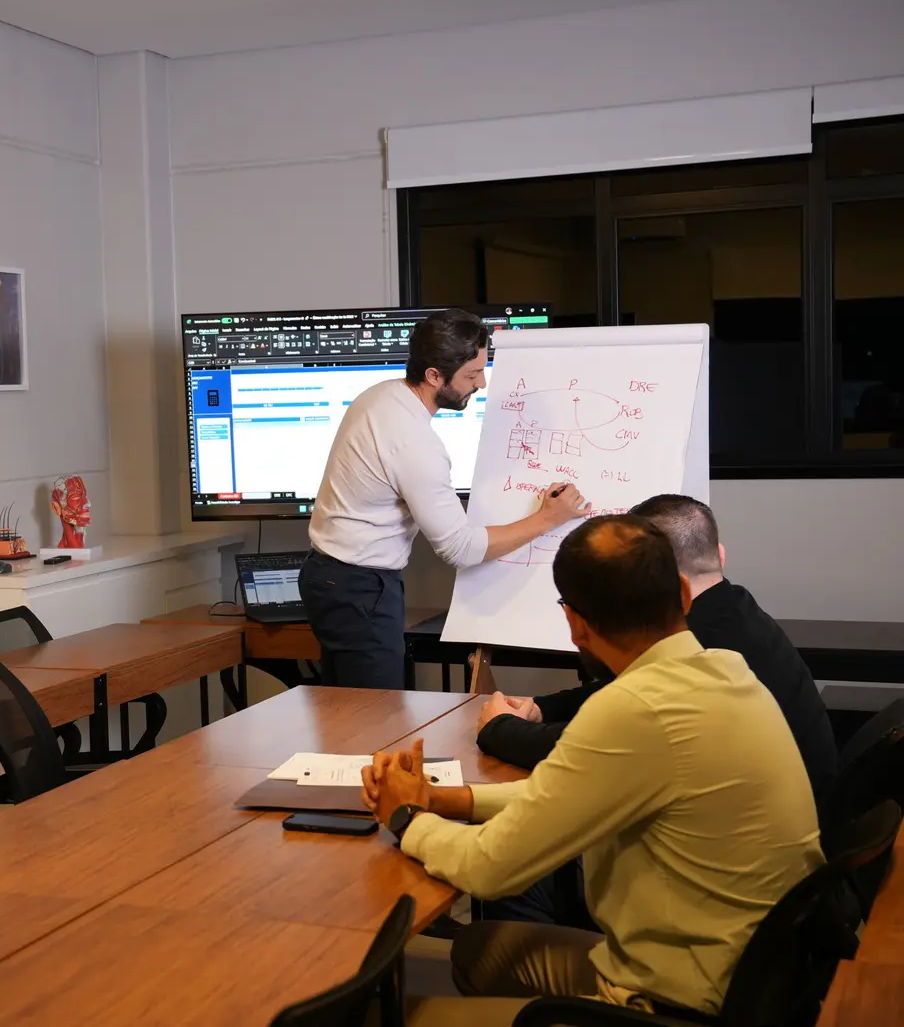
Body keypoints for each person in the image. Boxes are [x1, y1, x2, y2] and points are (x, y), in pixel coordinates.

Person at [362, 516, 821, 1023]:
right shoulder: (727, 670)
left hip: (678, 1004)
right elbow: (568, 792)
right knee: (479, 951)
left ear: (574, 623)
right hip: (757, 979)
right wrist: (447, 799)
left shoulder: (634, 708)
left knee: (400, 1017)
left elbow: (487, 868)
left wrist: (406, 817)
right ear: (685, 594)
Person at [476, 494, 837, 806]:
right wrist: (543, 707)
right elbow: (623, 692)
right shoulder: (732, 609)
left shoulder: (701, 648)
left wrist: (499, 729)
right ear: (720, 555)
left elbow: (597, 747)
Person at [301, 309, 590, 689]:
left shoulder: (382, 395)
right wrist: (548, 518)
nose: (481, 383)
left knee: (348, 710)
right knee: (374, 714)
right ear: (434, 375)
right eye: (471, 375)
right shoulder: (413, 442)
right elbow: (460, 548)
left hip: (331, 577)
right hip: (358, 587)